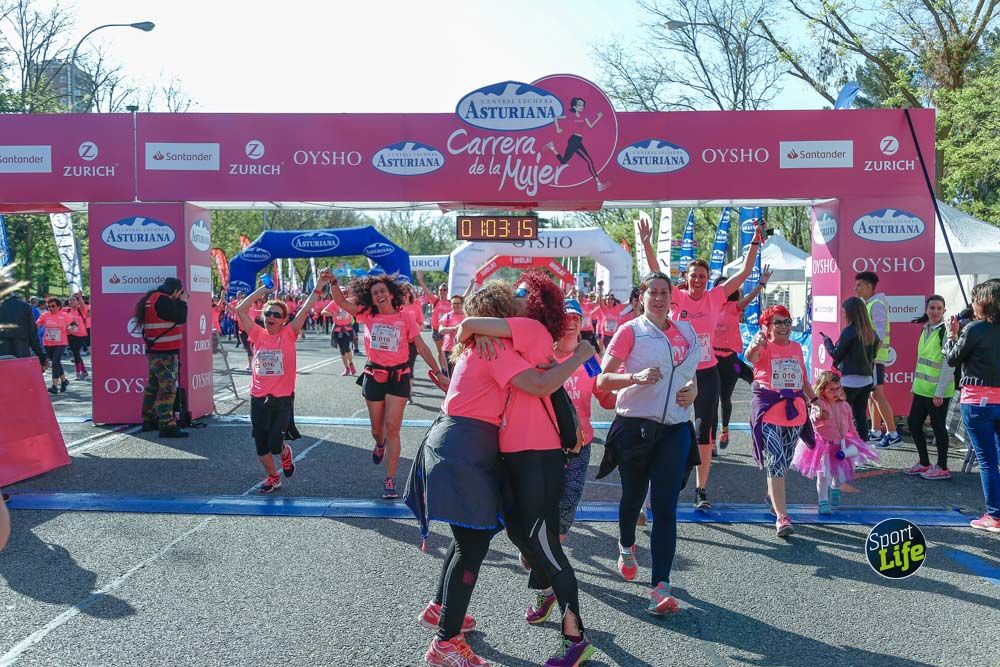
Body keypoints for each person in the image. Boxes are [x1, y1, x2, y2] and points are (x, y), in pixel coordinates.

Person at [405, 282, 594, 667]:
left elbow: (467, 331)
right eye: (516, 301)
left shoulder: (485, 344)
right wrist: (580, 357)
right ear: (503, 313)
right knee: (472, 543)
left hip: (460, 443)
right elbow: (539, 383)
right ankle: (446, 640)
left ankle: (442, 610)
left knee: (468, 538)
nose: (523, 304)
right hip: (466, 447)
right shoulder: (497, 347)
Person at [640, 216, 764, 510]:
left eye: (702, 276)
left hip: (706, 372)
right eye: (693, 275)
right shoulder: (677, 297)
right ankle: (657, 484)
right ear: (686, 277)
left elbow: (745, 272)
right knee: (664, 425)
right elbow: (656, 271)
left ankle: (701, 490)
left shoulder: (715, 297)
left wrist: (755, 243)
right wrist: (646, 242)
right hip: (678, 371)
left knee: (703, 431)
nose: (697, 280)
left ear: (708, 279)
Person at [594, 271, 699, 614]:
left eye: (663, 292)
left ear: (672, 297)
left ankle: (661, 587)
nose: (658, 298)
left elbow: (690, 374)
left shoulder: (685, 332)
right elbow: (603, 381)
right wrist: (634, 378)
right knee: (633, 496)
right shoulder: (630, 331)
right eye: (651, 292)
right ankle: (626, 546)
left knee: (666, 507)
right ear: (641, 297)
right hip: (635, 428)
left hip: (675, 430)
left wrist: (694, 391)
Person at [522, 298, 616, 626]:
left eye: (577, 317)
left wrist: (633, 385)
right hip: (543, 449)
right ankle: (546, 581)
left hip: (579, 449)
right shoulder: (544, 357)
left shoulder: (590, 361)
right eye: (566, 318)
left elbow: (606, 397)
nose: (572, 322)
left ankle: (545, 589)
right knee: (534, 531)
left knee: (558, 528)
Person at [327, 273, 446, 499]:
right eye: (374, 293)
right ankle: (379, 443)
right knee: (377, 430)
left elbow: (421, 347)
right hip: (374, 376)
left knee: (393, 427)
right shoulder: (366, 315)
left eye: (383, 291)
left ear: (391, 294)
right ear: (371, 299)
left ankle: (390, 479)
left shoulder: (406, 317)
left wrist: (439, 373)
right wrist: (333, 282)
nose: (379, 295)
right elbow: (341, 303)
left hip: (398, 377)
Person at [236, 273, 330, 493]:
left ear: (283, 320)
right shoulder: (257, 334)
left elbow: (306, 309)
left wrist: (319, 287)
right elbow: (240, 310)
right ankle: (273, 477)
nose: (271, 317)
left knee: (275, 445)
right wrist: (262, 290)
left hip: (282, 399)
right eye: (268, 313)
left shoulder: (289, 333)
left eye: (277, 315)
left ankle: (285, 454)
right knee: (261, 445)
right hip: (258, 397)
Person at [746, 305, 817, 537]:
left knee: (784, 461)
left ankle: (772, 494)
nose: (785, 326)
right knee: (775, 460)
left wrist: (816, 400)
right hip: (768, 411)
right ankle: (782, 517)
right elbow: (751, 357)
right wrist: (757, 343)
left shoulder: (796, 347)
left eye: (787, 322)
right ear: (767, 326)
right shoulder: (764, 346)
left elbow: (803, 379)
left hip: (794, 412)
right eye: (778, 322)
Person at [944, 280, 1000, 534]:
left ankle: (995, 515)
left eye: (975, 299)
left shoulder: (975, 329)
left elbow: (953, 359)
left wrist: (951, 334)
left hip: (978, 400)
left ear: (983, 302)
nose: (972, 304)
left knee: (987, 460)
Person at [792, 371, 878, 513]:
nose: (836, 392)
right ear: (822, 390)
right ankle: (823, 502)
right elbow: (813, 419)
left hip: (841, 445)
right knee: (823, 475)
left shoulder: (844, 406)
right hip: (824, 446)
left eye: (838, 388)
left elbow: (850, 426)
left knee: (839, 475)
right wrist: (818, 416)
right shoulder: (820, 405)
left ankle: (835, 488)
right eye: (831, 390)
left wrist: (857, 441)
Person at [712, 270, 770, 449]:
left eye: (728, 286)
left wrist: (760, 284)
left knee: (725, 398)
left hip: (729, 360)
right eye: (721, 286)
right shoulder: (709, 307)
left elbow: (749, 299)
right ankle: (711, 442)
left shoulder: (734, 307)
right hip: (711, 359)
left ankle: (725, 430)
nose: (725, 289)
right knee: (712, 401)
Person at [905, 295, 956, 480]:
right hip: (922, 389)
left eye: (939, 308)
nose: (935, 312)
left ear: (944, 311)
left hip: (937, 392)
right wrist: (914, 385)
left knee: (938, 426)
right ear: (926, 310)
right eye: (932, 308)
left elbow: (949, 364)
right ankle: (924, 463)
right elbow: (921, 361)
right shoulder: (925, 329)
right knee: (913, 423)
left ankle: (942, 466)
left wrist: (939, 392)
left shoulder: (945, 332)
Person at [820, 297, 880, 442]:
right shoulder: (871, 332)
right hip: (866, 380)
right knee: (860, 416)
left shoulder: (849, 332)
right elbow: (873, 355)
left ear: (850, 313)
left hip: (848, 381)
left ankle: (843, 449)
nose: (843, 314)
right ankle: (861, 451)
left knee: (841, 416)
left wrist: (827, 341)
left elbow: (836, 354)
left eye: (844, 311)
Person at [135, 277, 189, 438]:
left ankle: (148, 419)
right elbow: (181, 317)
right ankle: (167, 425)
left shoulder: (150, 299)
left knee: (153, 386)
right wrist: (183, 302)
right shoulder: (164, 301)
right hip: (166, 352)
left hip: (154, 351)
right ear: (176, 291)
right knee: (168, 389)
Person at [854, 271, 900, 447]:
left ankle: (892, 433)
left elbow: (880, 332)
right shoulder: (869, 304)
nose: (855, 289)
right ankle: (875, 430)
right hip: (871, 357)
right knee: (871, 394)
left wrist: (872, 355)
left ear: (868, 286)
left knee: (877, 394)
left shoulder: (876, 304)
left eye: (859, 285)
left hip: (875, 358)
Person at [544, 96, 609, 192]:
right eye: (579, 105)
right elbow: (556, 118)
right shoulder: (570, 116)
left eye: (583, 105)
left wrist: (598, 118)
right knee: (589, 161)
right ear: (574, 107)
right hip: (573, 141)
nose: (582, 106)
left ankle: (552, 147)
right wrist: (557, 128)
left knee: (563, 162)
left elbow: (591, 126)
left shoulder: (584, 117)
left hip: (578, 141)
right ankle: (598, 183)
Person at [0, 277, 47, 367]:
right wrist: (41, 356)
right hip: (21, 352)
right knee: (20, 379)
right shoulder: (24, 306)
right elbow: (32, 334)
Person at [36, 297, 72, 394]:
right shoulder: (45, 315)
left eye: (53, 306)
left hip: (61, 343)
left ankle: (54, 386)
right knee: (56, 362)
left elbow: (74, 325)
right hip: (48, 343)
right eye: (49, 306)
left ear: (59, 306)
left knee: (55, 361)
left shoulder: (64, 315)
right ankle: (64, 381)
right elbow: (37, 324)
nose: (50, 308)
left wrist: (70, 329)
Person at [323, 290, 356, 376]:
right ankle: (347, 368)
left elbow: (358, 307)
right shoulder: (334, 303)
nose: (344, 295)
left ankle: (351, 363)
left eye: (345, 293)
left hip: (347, 328)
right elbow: (323, 312)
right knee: (342, 349)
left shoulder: (350, 302)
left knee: (346, 346)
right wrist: (333, 313)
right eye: (342, 293)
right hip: (338, 329)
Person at [435, 295, 465, 377]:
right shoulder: (447, 316)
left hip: (463, 349)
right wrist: (453, 328)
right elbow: (441, 330)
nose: (455, 305)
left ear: (462, 304)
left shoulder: (467, 316)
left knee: (462, 374)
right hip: (449, 349)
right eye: (453, 303)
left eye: (457, 303)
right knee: (451, 376)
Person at [65, 295, 89, 380]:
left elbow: (83, 305)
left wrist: (80, 297)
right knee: (76, 353)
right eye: (70, 300)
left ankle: (78, 373)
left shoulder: (81, 309)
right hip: (70, 334)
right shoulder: (67, 310)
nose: (71, 301)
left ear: (78, 301)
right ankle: (84, 372)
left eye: (73, 300)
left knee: (76, 353)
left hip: (81, 334)